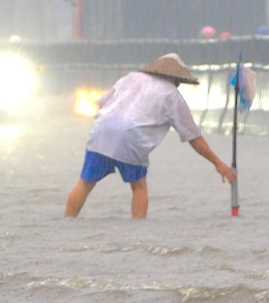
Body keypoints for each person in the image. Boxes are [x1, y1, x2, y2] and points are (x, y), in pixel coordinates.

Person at [65, 53, 236, 219]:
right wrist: (218, 163)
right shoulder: (173, 96)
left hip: (102, 132)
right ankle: (138, 231)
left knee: (85, 183)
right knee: (138, 187)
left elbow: (101, 104)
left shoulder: (130, 78)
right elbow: (194, 137)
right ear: (176, 80)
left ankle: (68, 221)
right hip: (132, 138)